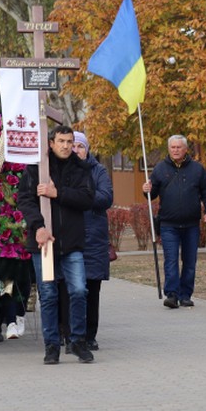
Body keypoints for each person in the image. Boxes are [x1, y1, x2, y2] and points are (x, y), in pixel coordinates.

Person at [17, 126, 96, 364]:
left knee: (79, 291)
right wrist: (38, 227)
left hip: (71, 243)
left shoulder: (80, 168)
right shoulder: (37, 168)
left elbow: (87, 199)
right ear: (51, 143)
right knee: (49, 295)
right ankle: (51, 346)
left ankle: (78, 341)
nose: (65, 146)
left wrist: (57, 193)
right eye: (61, 141)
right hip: (44, 242)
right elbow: (25, 199)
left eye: (69, 141)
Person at [142, 135, 206, 309]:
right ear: (169, 149)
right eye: (172, 147)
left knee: (190, 261)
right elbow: (152, 194)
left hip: (191, 224)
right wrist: (146, 191)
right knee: (171, 260)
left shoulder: (197, 169)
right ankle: (172, 295)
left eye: (178, 147)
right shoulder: (160, 168)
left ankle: (186, 295)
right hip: (168, 224)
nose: (175, 150)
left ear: (185, 149)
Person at [68, 131, 113, 351]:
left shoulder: (98, 171)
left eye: (80, 146)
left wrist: (80, 196)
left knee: (91, 290)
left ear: (87, 150)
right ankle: (70, 334)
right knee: (71, 289)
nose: (76, 150)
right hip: (69, 236)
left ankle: (89, 334)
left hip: (93, 239)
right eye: (72, 146)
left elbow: (106, 198)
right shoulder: (61, 171)